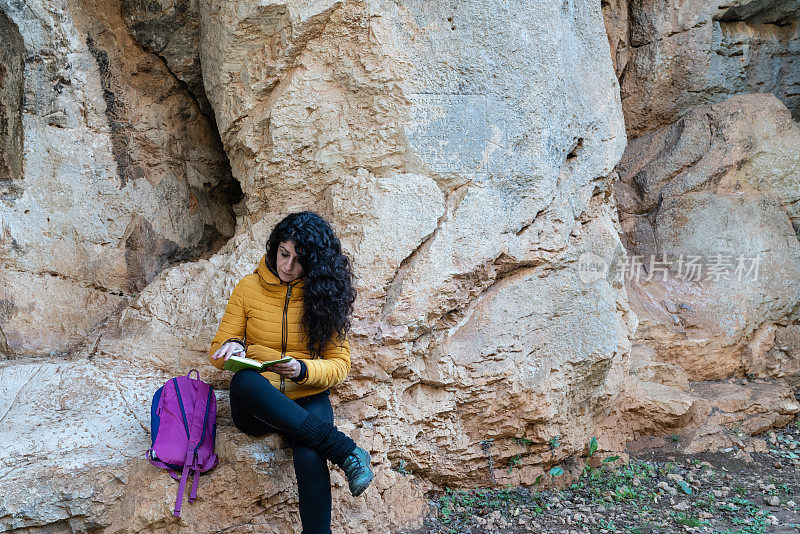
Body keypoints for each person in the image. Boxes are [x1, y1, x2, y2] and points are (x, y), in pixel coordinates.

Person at [208, 211, 373, 534]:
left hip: (307, 396)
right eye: (284, 254)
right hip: (258, 406)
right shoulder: (247, 288)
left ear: (314, 264)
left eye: (299, 261)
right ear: (274, 248)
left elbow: (340, 366)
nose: (287, 266)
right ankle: (344, 450)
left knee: (310, 451)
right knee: (243, 380)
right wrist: (232, 348)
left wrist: (302, 369)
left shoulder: (323, 295)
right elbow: (217, 351)